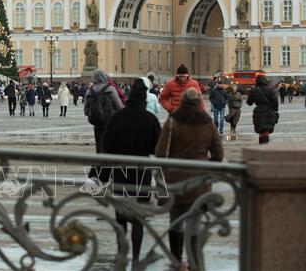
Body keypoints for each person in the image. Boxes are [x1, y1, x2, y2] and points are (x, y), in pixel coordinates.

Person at [155, 87, 223, 271]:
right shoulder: (207, 122)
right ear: (199, 101)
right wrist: (207, 164)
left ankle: (176, 260)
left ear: (183, 101)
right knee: (195, 222)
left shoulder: (173, 120)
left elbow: (161, 152)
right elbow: (219, 153)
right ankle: (193, 261)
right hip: (200, 181)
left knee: (175, 220)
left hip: (175, 180)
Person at [102, 79, 161, 267]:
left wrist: (100, 177)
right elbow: (157, 148)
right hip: (142, 172)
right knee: (138, 217)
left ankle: (121, 252)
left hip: (120, 172)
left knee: (121, 216)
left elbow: (106, 147)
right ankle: (136, 257)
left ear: (128, 98)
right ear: (144, 99)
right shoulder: (150, 119)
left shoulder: (117, 118)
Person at [83, 69, 124, 153]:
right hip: (111, 121)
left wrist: (97, 113)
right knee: (111, 144)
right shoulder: (110, 89)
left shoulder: (89, 91)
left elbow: (86, 111)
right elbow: (119, 107)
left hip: (97, 122)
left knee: (99, 144)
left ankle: (100, 163)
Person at [246, 75, 279, 144]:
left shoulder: (254, 90)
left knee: (261, 132)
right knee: (266, 131)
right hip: (269, 112)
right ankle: (264, 148)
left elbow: (249, 103)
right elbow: (275, 101)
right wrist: (275, 109)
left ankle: (262, 148)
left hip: (258, 113)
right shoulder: (271, 90)